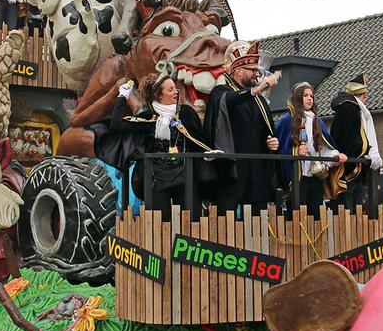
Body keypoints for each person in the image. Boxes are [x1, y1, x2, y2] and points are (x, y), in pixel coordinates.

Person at [97, 75, 212, 220]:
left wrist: (208, 152)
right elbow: (116, 124)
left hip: (184, 176)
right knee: (159, 223)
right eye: (170, 90)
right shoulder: (149, 117)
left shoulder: (185, 113)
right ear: (159, 96)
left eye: (175, 88)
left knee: (192, 221)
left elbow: (198, 139)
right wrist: (122, 98)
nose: (175, 92)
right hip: (156, 178)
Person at [203, 41, 281, 214]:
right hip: (231, 171)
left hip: (256, 172)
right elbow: (229, 100)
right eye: (251, 70)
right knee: (226, 223)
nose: (255, 74)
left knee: (257, 222)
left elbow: (263, 130)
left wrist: (269, 143)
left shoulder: (258, 99)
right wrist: (258, 89)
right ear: (238, 71)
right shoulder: (221, 92)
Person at [275, 82, 347, 216]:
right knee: (297, 214)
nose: (310, 99)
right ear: (297, 97)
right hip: (297, 177)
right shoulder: (286, 120)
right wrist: (295, 151)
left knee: (316, 213)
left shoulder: (316, 121)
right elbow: (279, 146)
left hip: (314, 175)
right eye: (305, 95)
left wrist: (335, 155)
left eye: (311, 96)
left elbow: (323, 147)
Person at [330, 74, 383, 211]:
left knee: (356, 208)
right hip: (349, 166)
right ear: (362, 94)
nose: (366, 96)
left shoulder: (351, 108)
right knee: (349, 207)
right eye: (365, 93)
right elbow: (351, 138)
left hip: (353, 165)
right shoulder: (350, 108)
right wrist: (365, 152)